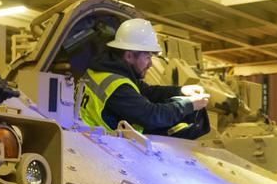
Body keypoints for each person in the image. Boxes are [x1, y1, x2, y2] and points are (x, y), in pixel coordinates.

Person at [79, 18, 210, 138]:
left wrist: (181, 91)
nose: (150, 64)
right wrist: (189, 105)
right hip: (102, 145)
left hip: (91, 137)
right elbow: (152, 116)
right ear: (129, 56)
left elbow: (146, 90)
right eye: (147, 57)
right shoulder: (117, 87)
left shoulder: (104, 71)